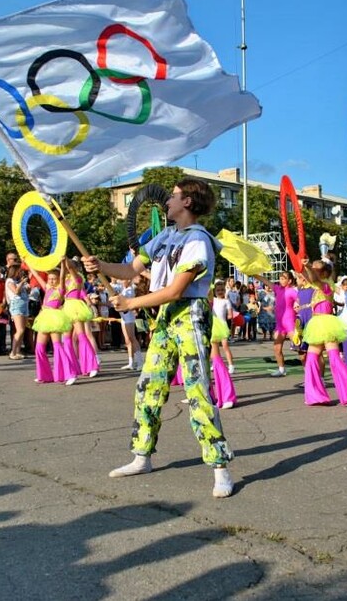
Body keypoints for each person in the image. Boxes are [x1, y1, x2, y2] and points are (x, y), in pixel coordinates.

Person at [81, 178, 235, 498]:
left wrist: (131, 304)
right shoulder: (164, 236)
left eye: (175, 196)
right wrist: (99, 265)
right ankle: (142, 456)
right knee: (148, 386)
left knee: (197, 391)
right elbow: (129, 270)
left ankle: (220, 467)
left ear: (188, 202)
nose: (168, 201)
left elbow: (176, 290)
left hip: (189, 315)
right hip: (164, 318)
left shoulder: (198, 240)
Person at [300, 258, 347, 411]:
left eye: (317, 268)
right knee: (311, 359)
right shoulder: (320, 284)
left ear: (325, 273)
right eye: (313, 268)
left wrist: (307, 266)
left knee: (334, 358)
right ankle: (316, 396)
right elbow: (305, 276)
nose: (313, 270)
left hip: (325, 324)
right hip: (317, 324)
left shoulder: (325, 284)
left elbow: (312, 277)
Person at [29, 263, 77, 385]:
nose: (51, 280)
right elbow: (36, 275)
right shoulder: (47, 287)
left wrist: (62, 263)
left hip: (54, 318)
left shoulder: (60, 289)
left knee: (57, 346)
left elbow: (62, 277)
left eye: (53, 278)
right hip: (44, 318)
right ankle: (44, 375)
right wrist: (28, 263)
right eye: (49, 278)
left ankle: (70, 374)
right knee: (39, 348)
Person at [253, 271, 297, 377]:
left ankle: (310, 373)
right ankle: (281, 369)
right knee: (277, 348)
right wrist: (255, 274)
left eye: (283, 278)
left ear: (289, 281)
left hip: (290, 323)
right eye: (280, 278)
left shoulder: (292, 291)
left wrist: (297, 305)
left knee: (300, 350)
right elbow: (266, 281)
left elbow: (300, 301)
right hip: (280, 324)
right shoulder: (277, 289)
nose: (281, 280)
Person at [209, 281, 236, 374]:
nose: (220, 292)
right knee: (214, 347)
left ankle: (231, 365)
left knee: (225, 346)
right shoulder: (213, 300)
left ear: (225, 291)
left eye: (222, 290)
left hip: (223, 325)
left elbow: (230, 315)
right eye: (218, 290)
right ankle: (215, 363)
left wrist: (231, 316)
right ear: (214, 291)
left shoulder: (226, 301)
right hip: (214, 325)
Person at [5, 263, 30, 360]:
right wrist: (22, 282)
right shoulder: (10, 281)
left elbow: (25, 292)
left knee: (23, 330)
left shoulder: (18, 281)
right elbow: (16, 291)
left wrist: (27, 288)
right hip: (16, 305)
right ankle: (13, 352)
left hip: (24, 304)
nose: (21, 273)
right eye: (19, 271)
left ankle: (18, 351)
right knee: (20, 330)